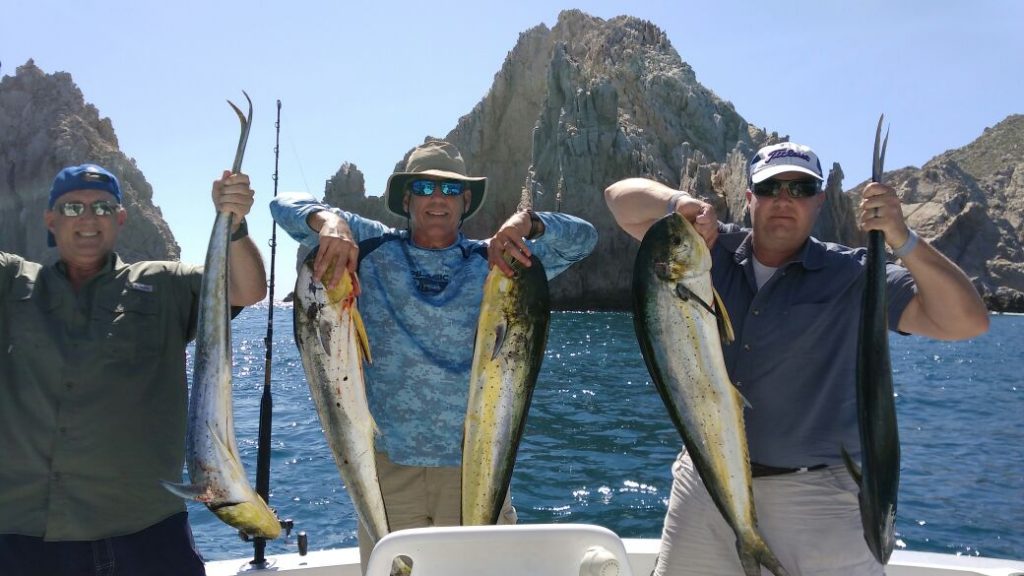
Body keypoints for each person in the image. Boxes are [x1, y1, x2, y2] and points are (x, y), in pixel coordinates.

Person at [605, 141, 989, 575]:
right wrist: (680, 204)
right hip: (704, 482)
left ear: (820, 201)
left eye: (801, 188)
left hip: (818, 500)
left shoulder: (855, 274)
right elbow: (620, 201)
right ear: (749, 197)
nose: (784, 200)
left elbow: (966, 322)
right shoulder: (702, 252)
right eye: (770, 188)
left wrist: (904, 239)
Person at [271, 139, 597, 571]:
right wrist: (329, 220)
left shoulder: (500, 261)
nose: (436, 199)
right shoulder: (369, 246)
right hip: (388, 472)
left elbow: (584, 238)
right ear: (406, 201)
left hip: (476, 470)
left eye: (449, 190)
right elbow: (282, 204)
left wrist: (529, 223)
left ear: (466, 201)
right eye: (423, 189)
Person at [0, 163, 268, 576]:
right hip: (22, 541)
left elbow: (245, 288)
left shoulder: (163, 284)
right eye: (71, 208)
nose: (87, 219)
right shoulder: (13, 283)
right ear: (49, 221)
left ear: (120, 219)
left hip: (146, 537)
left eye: (102, 208)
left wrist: (233, 224)